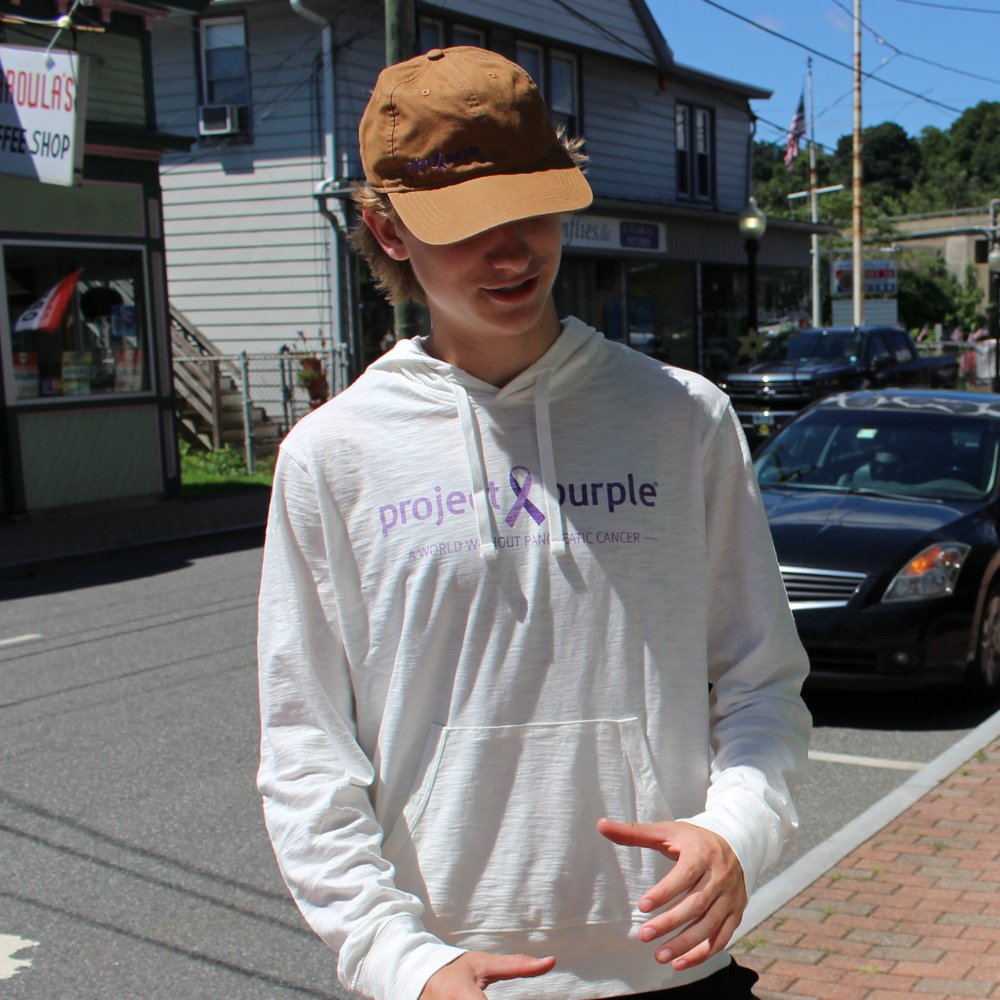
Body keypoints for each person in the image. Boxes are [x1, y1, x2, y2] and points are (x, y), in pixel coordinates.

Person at [257, 45, 811, 1000]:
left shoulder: (684, 419)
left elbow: (761, 684)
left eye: (529, 206)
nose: (510, 250)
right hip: (452, 974)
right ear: (386, 231)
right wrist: (399, 958)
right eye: (464, 224)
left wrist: (736, 832)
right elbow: (306, 752)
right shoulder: (331, 455)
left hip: (674, 969)